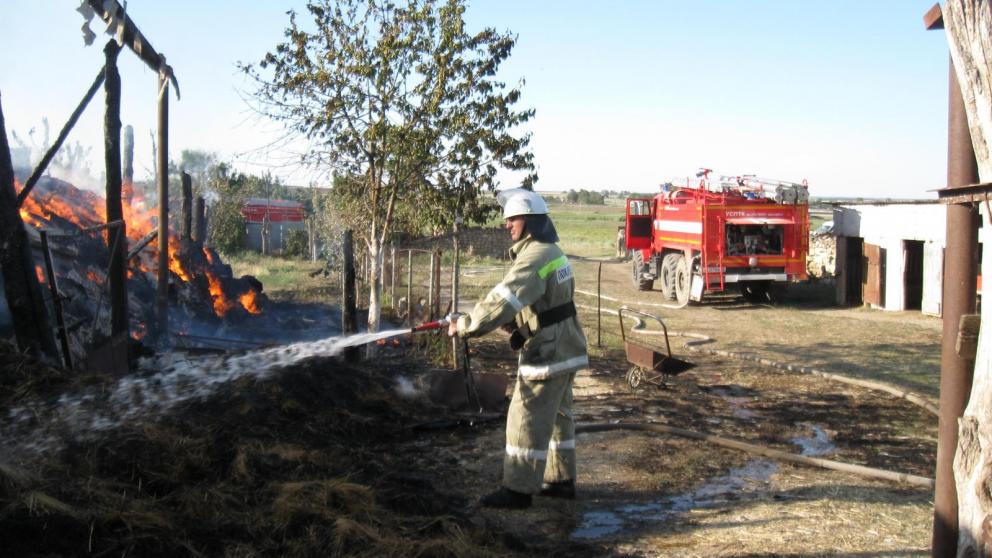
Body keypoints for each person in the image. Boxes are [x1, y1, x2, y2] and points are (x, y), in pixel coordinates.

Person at [448, 188, 589, 509]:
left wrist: (466, 325)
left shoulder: (535, 256)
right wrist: (519, 324)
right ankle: (561, 480)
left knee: (525, 415)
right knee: (558, 418)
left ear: (530, 221)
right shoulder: (553, 252)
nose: (507, 224)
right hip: (567, 345)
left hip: (549, 352)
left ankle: (517, 490)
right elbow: (550, 301)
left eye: (513, 219)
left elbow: (504, 298)